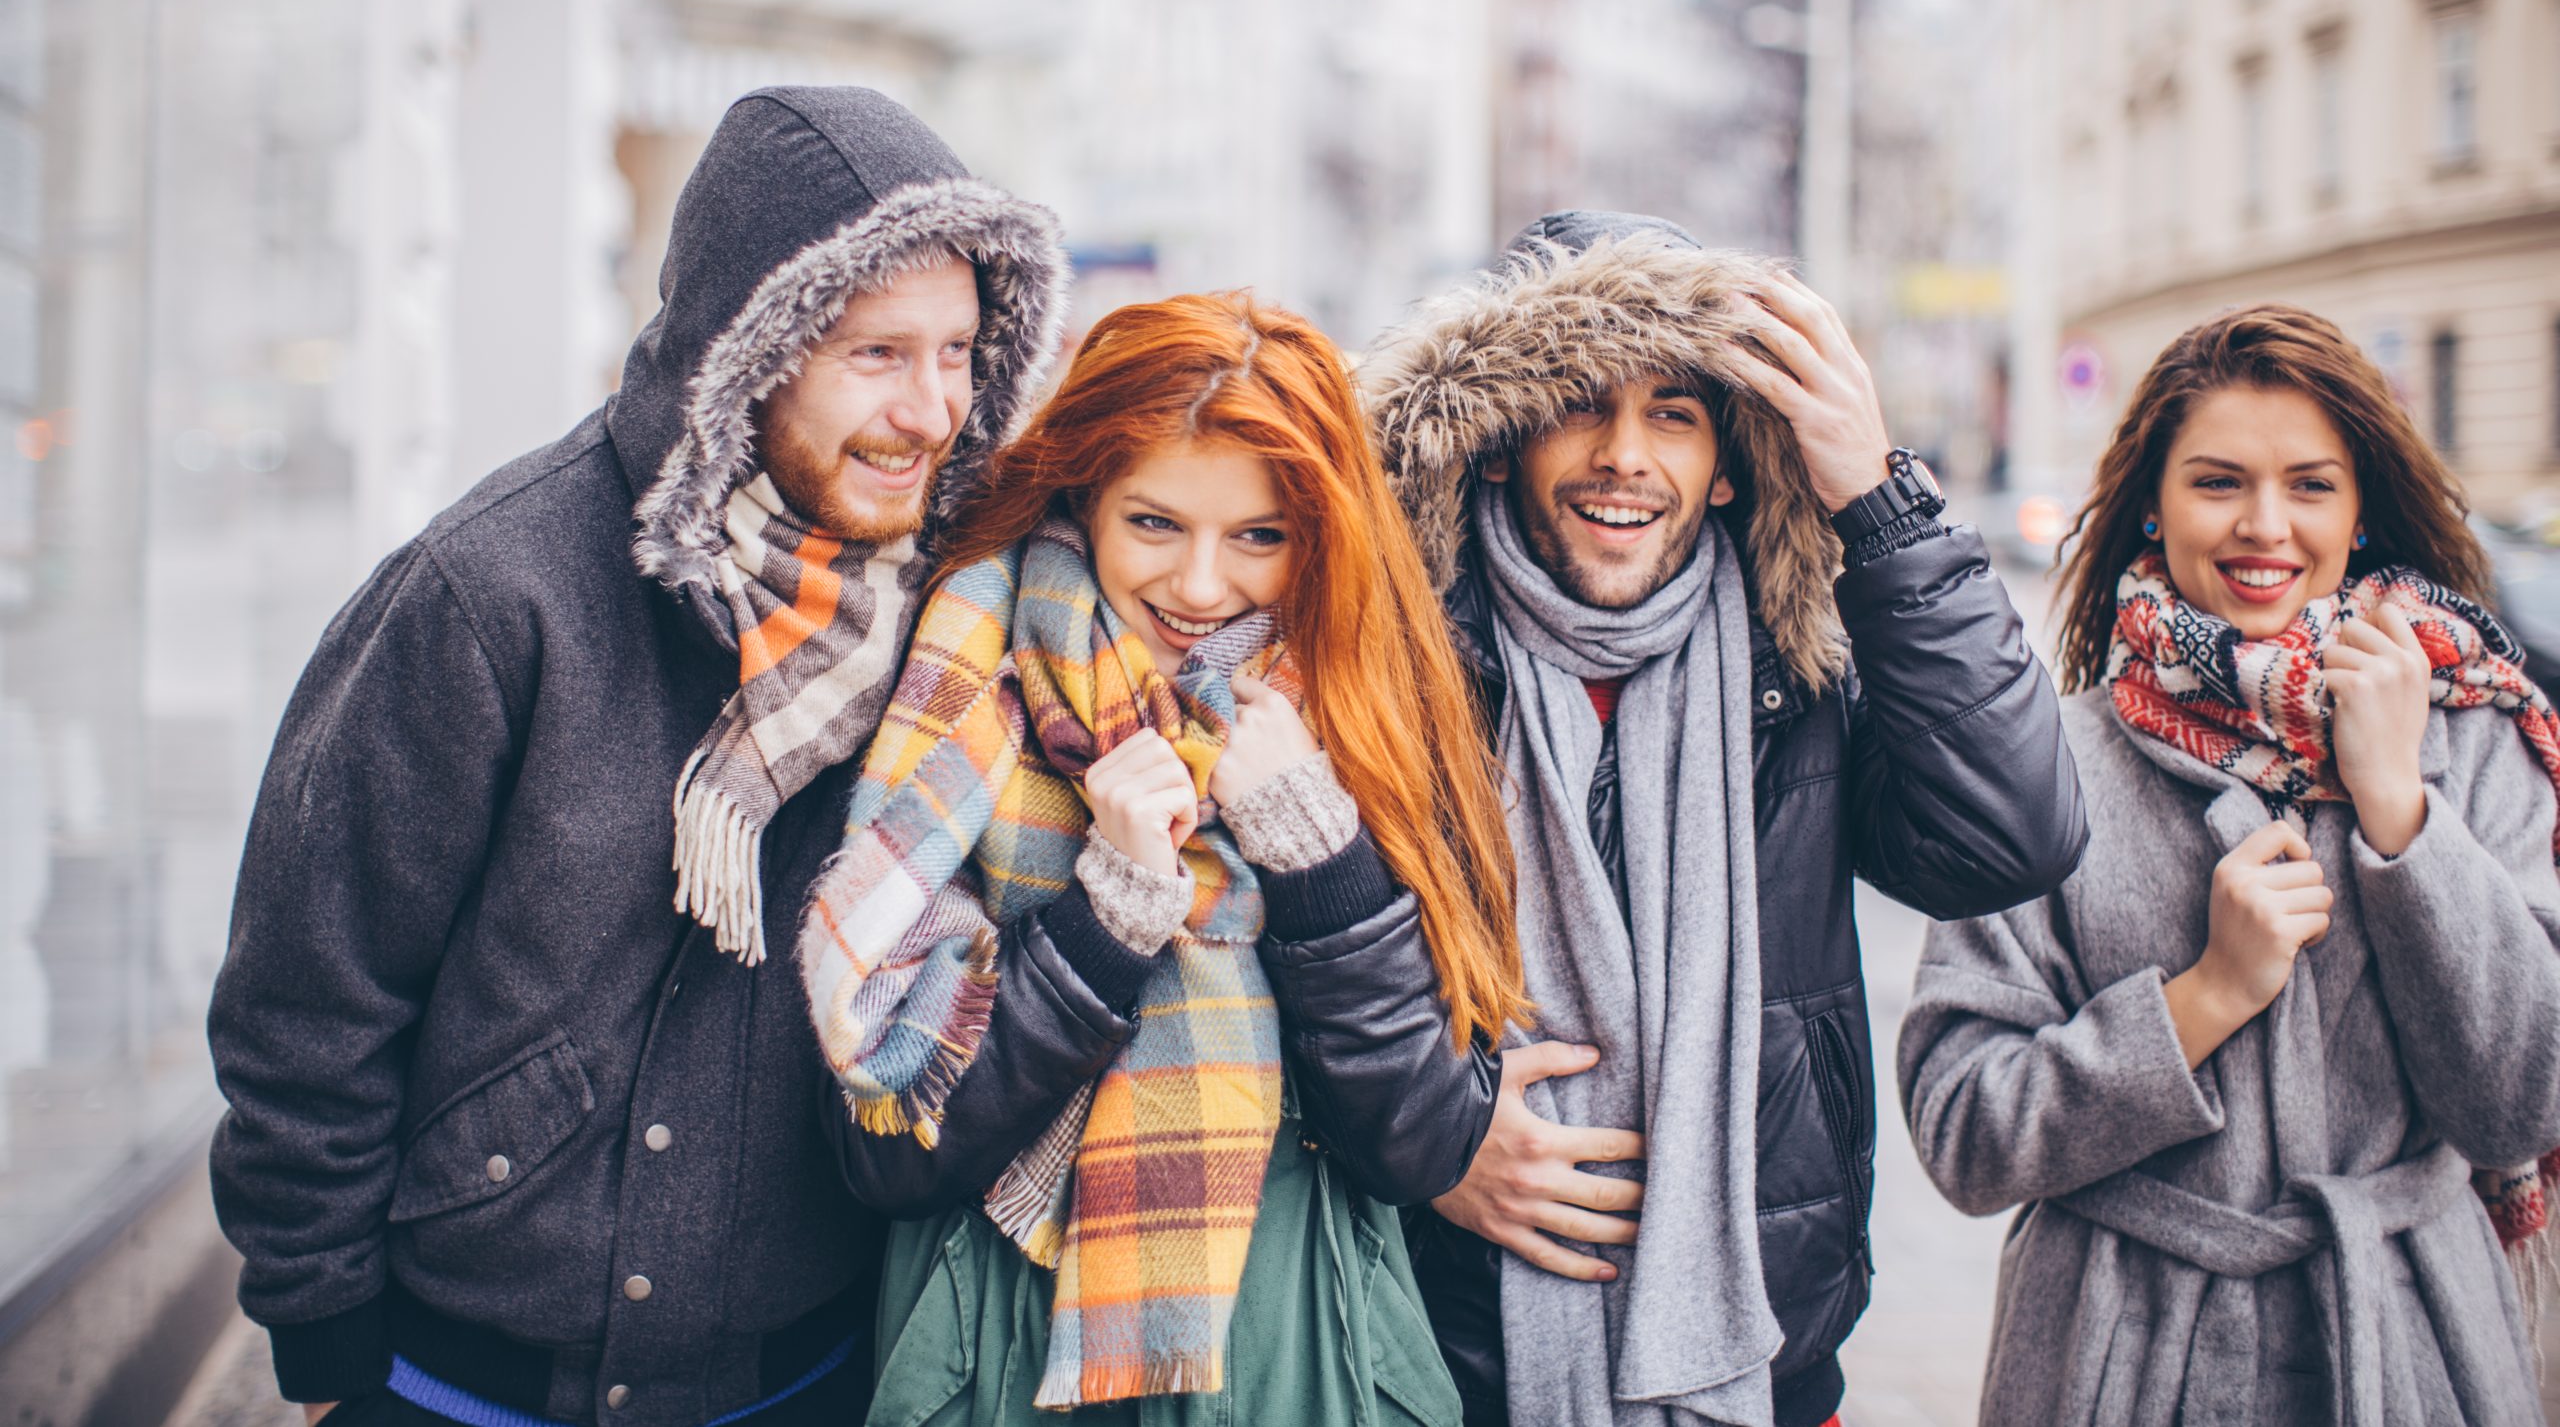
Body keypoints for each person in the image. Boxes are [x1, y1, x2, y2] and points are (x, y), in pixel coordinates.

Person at [205, 87, 1068, 1427]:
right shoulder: (494, 590)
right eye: (879, 354)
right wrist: (327, 1349)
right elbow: (310, 992)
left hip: (803, 1373)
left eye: (960, 350)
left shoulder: (954, 618)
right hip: (459, 1379)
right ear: (750, 348)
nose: (936, 408)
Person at [1354, 212, 2088, 1427]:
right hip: (1448, 1351)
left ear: (1732, 462)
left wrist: (1883, 505)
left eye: (1674, 416)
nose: (1623, 457)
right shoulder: (1393, 663)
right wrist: (1431, 1145)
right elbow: (1307, 965)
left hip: (1768, 1347)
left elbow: (2011, 837)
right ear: (1496, 445)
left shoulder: (1800, 680)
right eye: (1579, 403)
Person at [799, 291, 1526, 1424]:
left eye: (1257, 537)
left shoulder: (1372, 702)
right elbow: (891, 1151)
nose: (1198, 587)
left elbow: (1419, 1143)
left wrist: (1312, 849)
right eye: (1154, 524)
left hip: (1297, 1338)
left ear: (1320, 533)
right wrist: (1110, 915)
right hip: (998, 1337)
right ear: (1083, 493)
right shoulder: (965, 683)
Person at [1899, 305, 2560, 1425]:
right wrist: (2199, 1002)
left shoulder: (2474, 736)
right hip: (2115, 1360)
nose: (2266, 526)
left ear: (2359, 512)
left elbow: (2518, 1107)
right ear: (2153, 504)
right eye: (2218, 482)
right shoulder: (2046, 760)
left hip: (2410, 1352)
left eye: (2310, 485)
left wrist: (2400, 810)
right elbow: (1964, 1132)